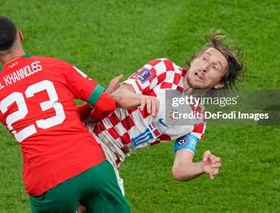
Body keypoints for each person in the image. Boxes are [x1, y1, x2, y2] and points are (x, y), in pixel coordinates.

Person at [0, 15, 154, 213]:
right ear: (20, 35)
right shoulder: (55, 66)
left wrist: (71, 114)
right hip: (90, 165)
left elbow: (35, 122)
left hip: (46, 179)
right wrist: (96, 104)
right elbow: (106, 106)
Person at [80, 31, 244, 194]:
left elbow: (180, 169)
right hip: (90, 135)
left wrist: (202, 166)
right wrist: (140, 98)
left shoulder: (197, 120)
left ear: (220, 83)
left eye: (214, 67)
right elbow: (118, 96)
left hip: (112, 157)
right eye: (204, 58)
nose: (205, 67)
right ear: (195, 59)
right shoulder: (164, 70)